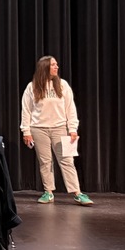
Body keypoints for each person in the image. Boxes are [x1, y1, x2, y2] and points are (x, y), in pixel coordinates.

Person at [20, 55, 94, 206]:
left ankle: (77, 193)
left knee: (67, 160)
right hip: (39, 129)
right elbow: (26, 110)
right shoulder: (32, 86)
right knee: (45, 162)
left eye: (56, 64)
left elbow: (70, 109)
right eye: (53, 65)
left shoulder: (63, 85)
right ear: (45, 67)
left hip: (60, 128)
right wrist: (26, 131)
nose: (56, 67)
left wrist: (73, 128)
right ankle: (49, 192)